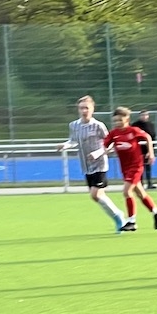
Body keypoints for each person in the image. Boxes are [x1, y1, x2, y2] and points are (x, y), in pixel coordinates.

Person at [57, 96, 125, 232]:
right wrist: (65, 145)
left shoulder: (98, 125)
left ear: (92, 109)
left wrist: (97, 153)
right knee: (98, 196)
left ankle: (118, 217)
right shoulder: (74, 125)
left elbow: (110, 144)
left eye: (86, 108)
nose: (84, 111)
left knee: (95, 194)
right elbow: (73, 141)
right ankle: (118, 215)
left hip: (100, 164)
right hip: (86, 166)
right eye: (81, 108)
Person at [104, 105, 157, 233]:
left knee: (127, 192)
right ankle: (155, 211)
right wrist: (105, 150)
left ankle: (132, 221)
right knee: (140, 193)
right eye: (115, 121)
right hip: (125, 168)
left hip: (136, 166)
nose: (117, 123)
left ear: (127, 119)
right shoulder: (114, 133)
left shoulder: (133, 131)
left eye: (120, 120)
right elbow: (105, 144)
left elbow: (147, 137)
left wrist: (150, 153)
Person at [132, 110, 157, 188]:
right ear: (139, 116)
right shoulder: (135, 125)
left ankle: (149, 183)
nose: (144, 116)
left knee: (148, 168)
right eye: (142, 115)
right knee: (139, 168)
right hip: (138, 150)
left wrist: (150, 151)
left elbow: (153, 137)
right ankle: (140, 184)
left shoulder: (151, 125)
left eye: (146, 115)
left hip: (148, 150)